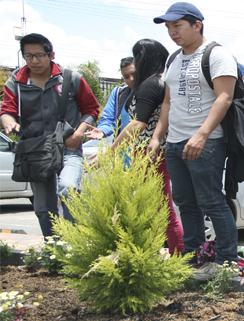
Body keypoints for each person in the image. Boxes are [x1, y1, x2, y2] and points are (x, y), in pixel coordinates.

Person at [150, 2, 240, 281]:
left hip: (206, 142)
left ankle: (226, 263)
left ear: (197, 25)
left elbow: (224, 97)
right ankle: (193, 259)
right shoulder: (172, 59)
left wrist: (201, 134)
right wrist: (157, 138)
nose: (172, 32)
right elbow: (167, 102)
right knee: (185, 203)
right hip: (175, 144)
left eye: (177, 25)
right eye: (168, 27)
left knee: (212, 202)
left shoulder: (217, 54)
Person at [91, 39, 185, 256]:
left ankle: (179, 259)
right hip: (154, 152)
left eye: (136, 57)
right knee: (151, 210)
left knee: (161, 210)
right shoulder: (161, 83)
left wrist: (109, 152)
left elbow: (137, 124)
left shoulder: (151, 84)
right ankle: (159, 256)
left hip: (149, 153)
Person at [0, 33, 99, 237]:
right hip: (35, 151)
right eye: (28, 55)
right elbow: (7, 110)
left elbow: (91, 109)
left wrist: (78, 134)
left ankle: (74, 245)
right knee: (43, 207)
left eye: (39, 55)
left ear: (51, 54)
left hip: (68, 147)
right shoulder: (15, 82)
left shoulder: (71, 79)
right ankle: (54, 251)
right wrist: (8, 121)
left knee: (68, 188)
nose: (34, 61)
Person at [85, 57, 134, 141]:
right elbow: (109, 118)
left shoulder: (152, 91)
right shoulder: (119, 92)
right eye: (126, 77)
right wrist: (102, 130)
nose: (131, 79)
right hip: (121, 151)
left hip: (145, 151)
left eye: (134, 74)